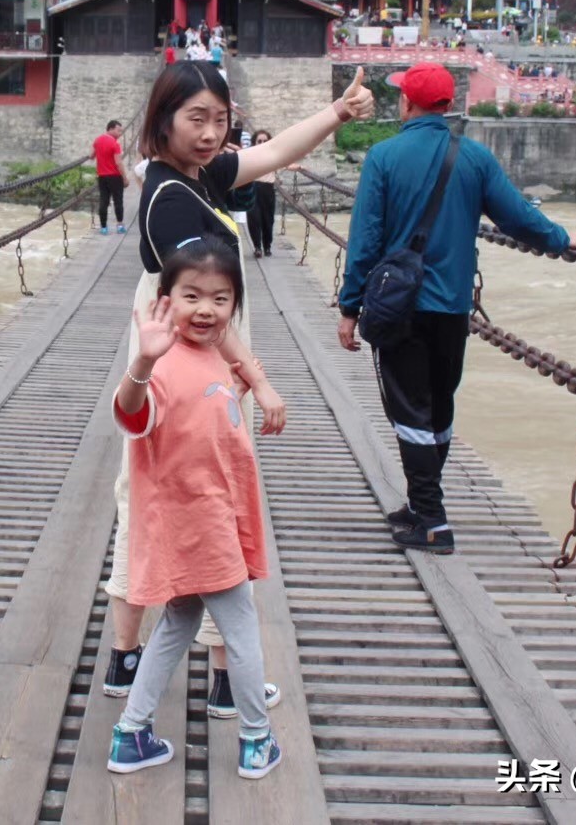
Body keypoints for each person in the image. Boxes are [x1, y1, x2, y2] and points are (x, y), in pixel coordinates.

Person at [102, 59, 375, 710]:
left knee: (153, 495)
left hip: (196, 367)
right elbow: (202, 310)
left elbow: (276, 151)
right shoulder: (169, 201)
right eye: (195, 117)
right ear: (160, 120)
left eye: (219, 119)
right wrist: (257, 375)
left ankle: (125, 660)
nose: (209, 132)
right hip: (191, 374)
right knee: (205, 502)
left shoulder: (201, 178)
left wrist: (336, 113)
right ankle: (225, 678)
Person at [336, 62, 576, 555]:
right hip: (451, 307)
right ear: (448, 107)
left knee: (409, 409)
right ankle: (420, 504)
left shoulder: (383, 157)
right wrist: (561, 239)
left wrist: (350, 306)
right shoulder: (474, 158)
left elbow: (364, 240)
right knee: (438, 408)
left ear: (406, 104)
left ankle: (431, 520)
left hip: (400, 307)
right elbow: (517, 217)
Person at [107, 236, 281, 780]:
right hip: (201, 526)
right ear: (165, 300)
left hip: (202, 519)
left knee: (177, 623)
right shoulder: (159, 365)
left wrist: (255, 384)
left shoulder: (209, 358)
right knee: (242, 630)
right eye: (191, 296)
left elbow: (210, 417)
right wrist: (141, 357)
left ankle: (131, 733)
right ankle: (256, 738)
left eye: (221, 298)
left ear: (234, 306)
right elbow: (132, 414)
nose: (206, 309)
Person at [93, 119, 130, 235]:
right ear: (111, 129)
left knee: (104, 201)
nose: (120, 134)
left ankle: (103, 227)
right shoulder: (115, 144)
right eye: (118, 131)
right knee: (118, 201)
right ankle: (120, 226)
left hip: (102, 176)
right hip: (114, 176)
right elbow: (118, 163)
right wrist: (125, 178)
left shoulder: (97, 140)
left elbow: (91, 155)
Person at [245, 130, 276, 258]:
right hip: (252, 189)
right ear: (254, 142)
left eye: (265, 141)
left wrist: (300, 168)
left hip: (268, 190)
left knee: (268, 220)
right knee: (253, 219)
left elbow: (287, 163)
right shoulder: (248, 155)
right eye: (259, 141)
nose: (262, 143)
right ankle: (257, 247)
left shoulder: (275, 156)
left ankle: (267, 246)